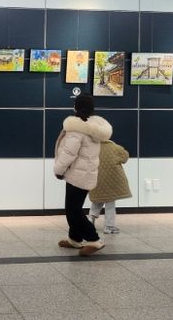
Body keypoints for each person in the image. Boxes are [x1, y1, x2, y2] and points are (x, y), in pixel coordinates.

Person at [54, 94, 112, 256]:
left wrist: (58, 170)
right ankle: (75, 239)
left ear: (76, 107)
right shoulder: (94, 127)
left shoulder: (76, 129)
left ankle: (94, 240)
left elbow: (68, 153)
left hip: (77, 175)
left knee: (73, 210)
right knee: (75, 207)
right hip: (86, 174)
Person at [89, 140, 131, 234]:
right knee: (110, 203)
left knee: (97, 200)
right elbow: (125, 157)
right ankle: (109, 226)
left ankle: (90, 220)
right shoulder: (114, 147)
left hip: (97, 178)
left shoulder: (93, 147)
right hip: (111, 179)